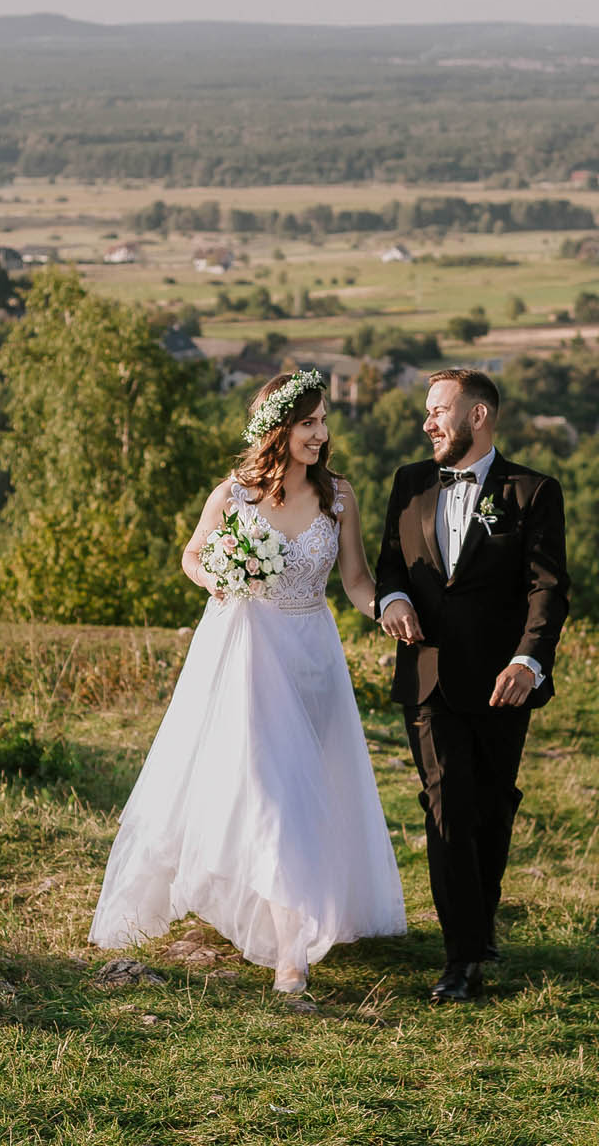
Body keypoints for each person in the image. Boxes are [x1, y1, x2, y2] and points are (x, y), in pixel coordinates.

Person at [88, 370, 405, 995]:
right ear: (277, 430)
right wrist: (220, 577)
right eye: (308, 423)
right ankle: (292, 953)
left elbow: (357, 581)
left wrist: (388, 609)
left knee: (304, 789)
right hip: (245, 653)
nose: (321, 433)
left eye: (322, 422)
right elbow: (191, 554)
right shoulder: (233, 494)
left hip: (310, 654)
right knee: (268, 792)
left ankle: (290, 921)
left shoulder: (338, 495)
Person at [374, 368, 569, 1003]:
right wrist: (394, 600)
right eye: (428, 412)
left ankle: (479, 926)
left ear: (478, 416)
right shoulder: (408, 484)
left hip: (501, 683)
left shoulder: (533, 492)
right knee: (447, 805)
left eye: (439, 411)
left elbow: (548, 589)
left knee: (491, 804)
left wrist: (528, 662)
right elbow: (388, 566)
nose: (428, 423)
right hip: (428, 673)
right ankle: (460, 959)